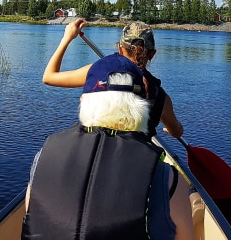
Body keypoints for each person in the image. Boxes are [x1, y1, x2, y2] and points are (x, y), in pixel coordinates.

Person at [21, 54, 195, 240]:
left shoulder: (42, 158)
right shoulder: (165, 177)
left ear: (83, 102)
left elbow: (31, 217)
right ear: (141, 108)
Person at [41, 18, 184, 139]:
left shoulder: (97, 71)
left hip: (95, 151)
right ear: (152, 54)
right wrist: (171, 129)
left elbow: (48, 77)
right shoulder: (160, 96)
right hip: (137, 162)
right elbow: (177, 132)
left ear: (120, 49)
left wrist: (67, 38)